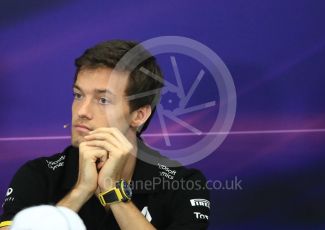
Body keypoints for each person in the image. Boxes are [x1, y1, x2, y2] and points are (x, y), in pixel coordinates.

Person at [0, 40, 210, 229]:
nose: (82, 111)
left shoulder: (183, 183)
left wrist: (113, 192)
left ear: (139, 115)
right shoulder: (38, 175)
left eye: (103, 100)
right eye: (78, 95)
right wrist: (80, 191)